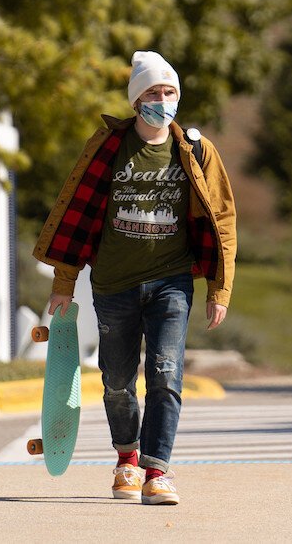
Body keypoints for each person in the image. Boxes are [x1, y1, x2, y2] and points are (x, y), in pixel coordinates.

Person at [32, 50, 236, 505]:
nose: (161, 100)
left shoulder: (197, 151)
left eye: (168, 92)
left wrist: (218, 288)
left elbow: (223, 219)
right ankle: (127, 458)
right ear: (135, 100)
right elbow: (77, 214)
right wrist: (64, 283)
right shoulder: (108, 147)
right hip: (114, 284)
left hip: (171, 282)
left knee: (165, 374)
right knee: (117, 380)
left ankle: (157, 471)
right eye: (151, 93)